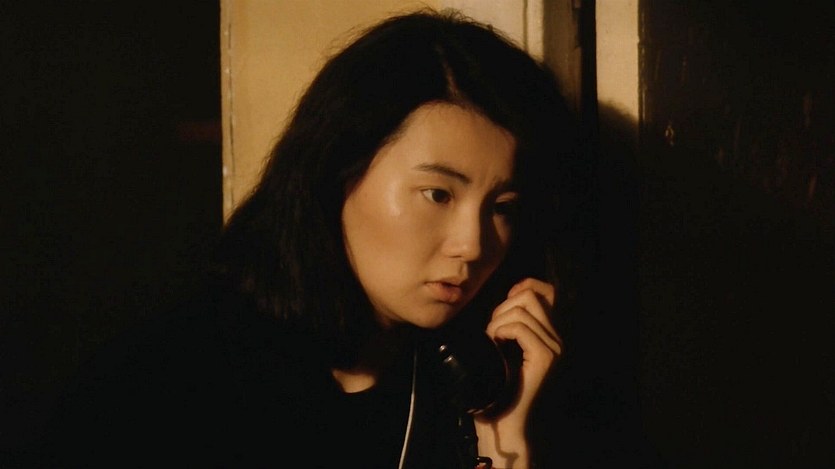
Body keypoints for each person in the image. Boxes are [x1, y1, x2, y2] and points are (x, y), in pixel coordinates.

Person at [41, 8, 586, 469]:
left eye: (503, 208)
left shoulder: (462, 387)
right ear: (337, 173)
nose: (473, 245)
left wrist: (503, 442)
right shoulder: (169, 381)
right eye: (437, 194)